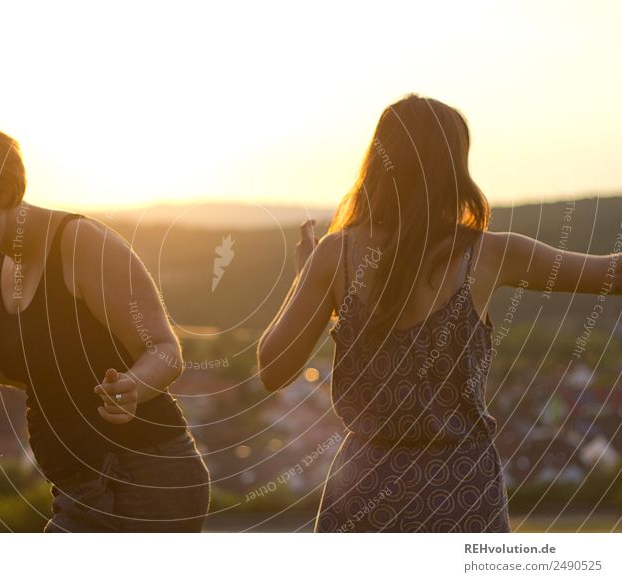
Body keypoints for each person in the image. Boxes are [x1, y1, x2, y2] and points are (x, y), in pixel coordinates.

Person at [257, 93, 621, 532]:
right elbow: (610, 275)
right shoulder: (489, 253)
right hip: (461, 489)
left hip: (365, 488)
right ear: (455, 167)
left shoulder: (338, 255)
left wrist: (310, 279)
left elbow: (272, 369)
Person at [0, 116, 210, 532]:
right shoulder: (5, 264)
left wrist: (135, 386)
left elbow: (164, 349)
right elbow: (19, 370)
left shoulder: (80, 244)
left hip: (144, 480)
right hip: (83, 491)